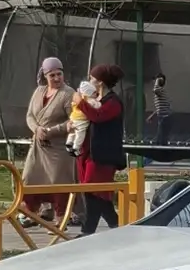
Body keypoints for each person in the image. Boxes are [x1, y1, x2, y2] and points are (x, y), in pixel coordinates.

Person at [73, 62, 126, 234]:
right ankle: (114, 225)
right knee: (95, 193)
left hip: (104, 155)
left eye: (92, 78)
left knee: (93, 192)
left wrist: (81, 103)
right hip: (92, 153)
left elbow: (98, 116)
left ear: (101, 82)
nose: (89, 81)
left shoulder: (113, 103)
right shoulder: (99, 100)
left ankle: (88, 231)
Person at [20, 57, 74, 225]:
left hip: (57, 148)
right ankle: (31, 213)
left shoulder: (68, 94)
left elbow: (74, 121)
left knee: (58, 182)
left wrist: (51, 131)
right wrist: (36, 129)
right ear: (45, 76)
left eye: (59, 74)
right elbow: (29, 115)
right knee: (30, 177)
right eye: (52, 75)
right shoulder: (39, 92)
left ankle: (61, 219)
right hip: (38, 146)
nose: (57, 78)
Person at [144, 73, 171, 145]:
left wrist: (157, 81)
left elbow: (155, 90)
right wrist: (151, 116)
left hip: (164, 118)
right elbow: (159, 108)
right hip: (163, 118)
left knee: (161, 140)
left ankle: (163, 154)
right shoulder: (161, 92)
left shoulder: (160, 91)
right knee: (160, 139)